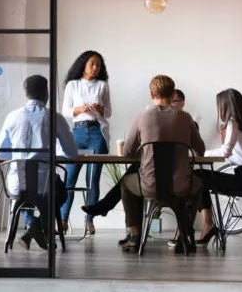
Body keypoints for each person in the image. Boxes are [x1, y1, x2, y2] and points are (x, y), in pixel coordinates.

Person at [81, 88, 194, 225]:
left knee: (130, 179)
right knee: (138, 170)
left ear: (182, 103)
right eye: (171, 101)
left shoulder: (148, 118)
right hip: (179, 182)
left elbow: (128, 152)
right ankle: (109, 208)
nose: (170, 105)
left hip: (159, 183)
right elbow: (200, 149)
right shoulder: (186, 120)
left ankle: (133, 232)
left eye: (174, 102)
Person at [118, 75, 205, 253]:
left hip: (150, 186)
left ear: (151, 93)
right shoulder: (186, 117)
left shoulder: (143, 116)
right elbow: (200, 150)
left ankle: (135, 235)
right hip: (181, 187)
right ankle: (184, 235)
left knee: (126, 183)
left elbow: (127, 152)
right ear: (173, 94)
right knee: (198, 184)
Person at [0, 75, 78, 250]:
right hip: (45, 185)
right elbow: (71, 153)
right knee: (61, 193)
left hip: (17, 185)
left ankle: (33, 229)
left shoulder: (12, 117)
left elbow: (0, 152)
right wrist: (54, 155)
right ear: (46, 92)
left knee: (27, 192)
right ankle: (35, 229)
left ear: (26, 92)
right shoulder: (55, 117)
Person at [194, 88, 242, 246]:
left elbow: (226, 151)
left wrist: (200, 153)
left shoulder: (233, 122)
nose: (218, 109)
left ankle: (208, 223)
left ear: (225, 105)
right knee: (199, 177)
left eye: (219, 105)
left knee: (197, 177)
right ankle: (208, 224)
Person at [60, 50, 112, 234]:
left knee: (93, 180)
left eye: (98, 65)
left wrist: (100, 108)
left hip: (97, 132)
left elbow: (109, 113)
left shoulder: (102, 86)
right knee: (70, 179)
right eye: (92, 64)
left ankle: (90, 221)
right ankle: (63, 220)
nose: (95, 68)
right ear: (83, 64)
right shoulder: (72, 85)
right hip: (78, 133)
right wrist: (80, 109)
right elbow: (65, 111)